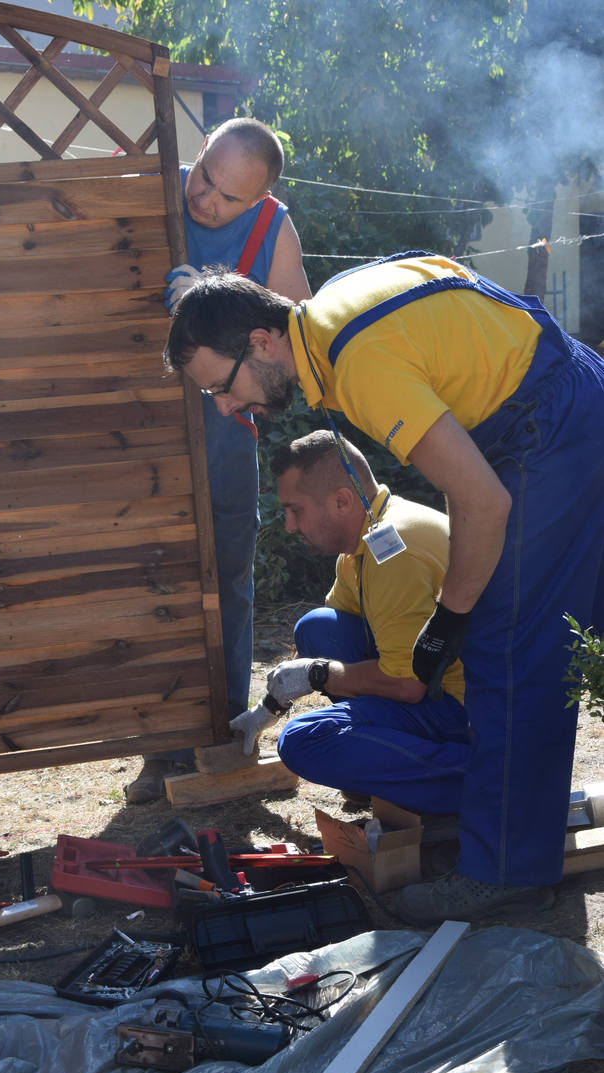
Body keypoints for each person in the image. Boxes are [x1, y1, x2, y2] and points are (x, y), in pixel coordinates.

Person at [162, 251, 604, 924]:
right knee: (576, 635)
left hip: (549, 430)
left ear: (260, 341)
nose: (227, 408)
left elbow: (481, 501)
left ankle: (506, 873)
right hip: (572, 394)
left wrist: (448, 621)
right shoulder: (333, 313)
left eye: (222, 386)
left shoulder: (358, 363)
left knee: (505, 648)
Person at [124, 117, 310, 804]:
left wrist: (215, 293)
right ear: (198, 154)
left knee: (225, 584)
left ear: (258, 199)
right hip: (140, 432)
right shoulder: (148, 191)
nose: (205, 201)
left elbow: (300, 322)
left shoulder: (273, 229)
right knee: (157, 582)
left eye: (228, 198)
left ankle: (223, 737)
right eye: (205, 177)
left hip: (226, 433)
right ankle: (160, 748)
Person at [230, 429, 473, 809]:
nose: (290, 526)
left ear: (342, 501)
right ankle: (383, 767)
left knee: (303, 740)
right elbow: (337, 635)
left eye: (296, 510)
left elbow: (408, 685)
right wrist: (268, 709)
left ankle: (485, 780)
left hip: (470, 709)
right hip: (438, 681)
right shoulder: (368, 536)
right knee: (317, 628)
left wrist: (317, 674)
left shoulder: (394, 551)